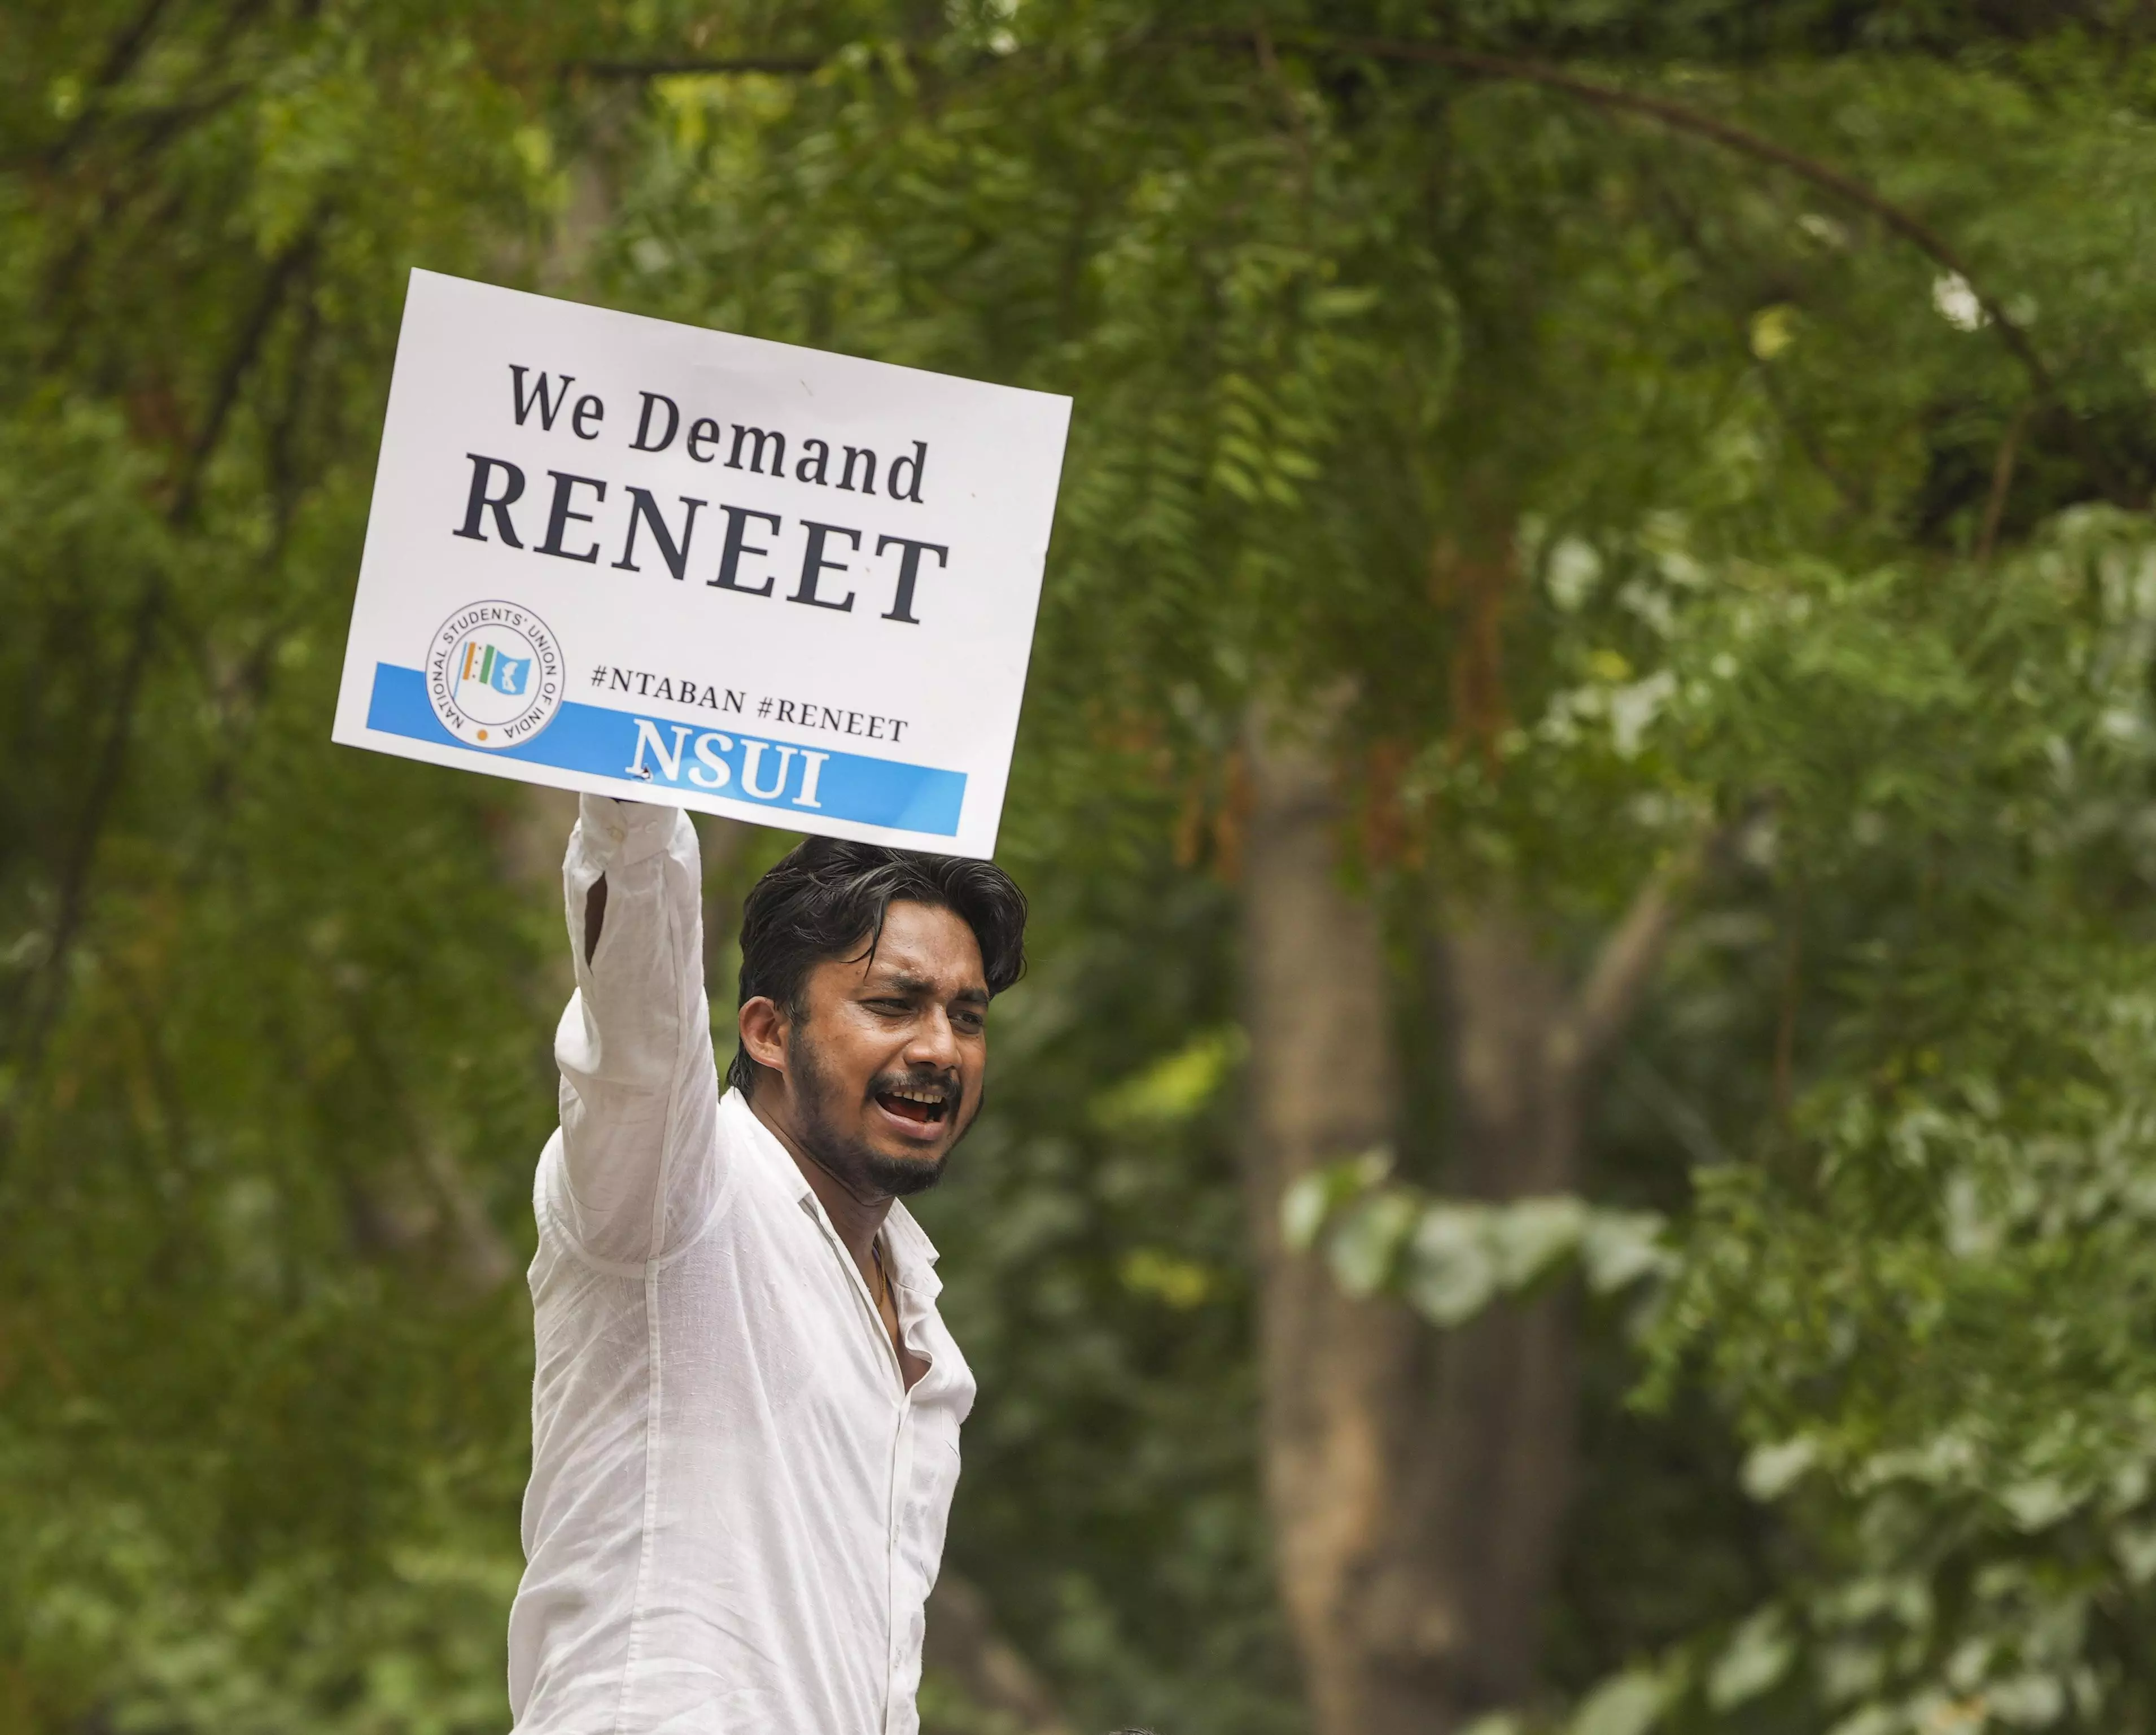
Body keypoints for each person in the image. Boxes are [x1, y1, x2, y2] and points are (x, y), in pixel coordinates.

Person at [506, 795, 1027, 1735]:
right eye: (892, 1004)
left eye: (968, 1014)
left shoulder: (925, 1334)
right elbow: (632, 1035)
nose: (939, 1048)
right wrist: (634, 799)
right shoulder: (672, 1199)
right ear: (767, 1032)